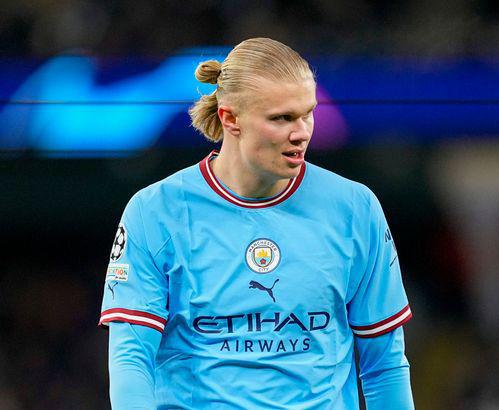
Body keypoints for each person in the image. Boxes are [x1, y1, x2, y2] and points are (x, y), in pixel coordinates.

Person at [100, 37, 414, 409]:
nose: (301, 132)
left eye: (307, 113)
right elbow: (132, 359)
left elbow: (384, 365)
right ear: (230, 118)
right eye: (282, 118)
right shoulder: (155, 212)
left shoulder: (354, 208)